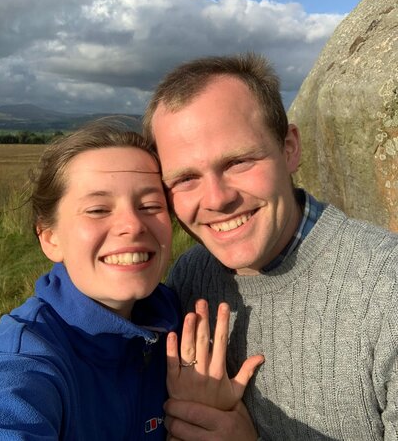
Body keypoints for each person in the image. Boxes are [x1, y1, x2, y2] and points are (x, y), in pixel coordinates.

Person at [143, 53, 398, 441]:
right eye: (186, 178)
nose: (216, 199)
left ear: (290, 148)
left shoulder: (385, 289)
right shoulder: (189, 276)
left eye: (238, 162)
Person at [0, 117, 261, 440]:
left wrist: (215, 421)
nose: (133, 225)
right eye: (97, 209)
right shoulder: (24, 358)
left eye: (151, 205)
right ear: (50, 237)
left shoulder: (176, 318)